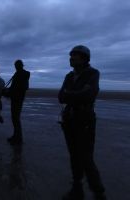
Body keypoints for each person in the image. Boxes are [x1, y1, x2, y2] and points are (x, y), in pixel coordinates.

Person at [58, 45, 106, 200]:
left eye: (75, 55)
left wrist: (70, 94)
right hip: (69, 119)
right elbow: (60, 96)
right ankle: (77, 189)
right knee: (74, 155)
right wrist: (76, 95)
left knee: (86, 157)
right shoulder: (68, 76)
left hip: (85, 119)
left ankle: (98, 193)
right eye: (70, 55)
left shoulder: (93, 73)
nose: (71, 58)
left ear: (84, 58)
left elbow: (89, 94)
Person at [7, 59, 30, 145]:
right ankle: (16, 136)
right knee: (15, 118)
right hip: (16, 98)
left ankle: (18, 138)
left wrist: (9, 92)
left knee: (15, 118)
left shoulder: (21, 74)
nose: (15, 67)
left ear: (19, 66)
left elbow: (20, 87)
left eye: (16, 65)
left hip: (17, 99)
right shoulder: (20, 74)